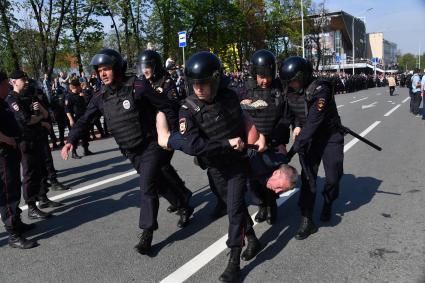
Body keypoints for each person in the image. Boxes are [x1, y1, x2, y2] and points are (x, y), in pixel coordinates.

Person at [61, 48, 189, 255]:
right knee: (157, 183)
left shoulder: (138, 86)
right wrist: (71, 140)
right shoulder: (100, 96)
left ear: (117, 68)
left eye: (107, 69)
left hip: (151, 145)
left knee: (147, 185)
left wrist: (174, 133)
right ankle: (183, 204)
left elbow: (166, 105)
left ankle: (147, 233)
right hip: (130, 150)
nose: (102, 74)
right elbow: (85, 120)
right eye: (99, 70)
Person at [162, 51, 264, 282]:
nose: (199, 89)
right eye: (195, 84)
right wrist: (226, 143)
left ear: (216, 80)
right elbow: (194, 146)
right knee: (233, 206)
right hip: (215, 167)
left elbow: (247, 114)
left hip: (237, 164)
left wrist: (256, 134)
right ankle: (252, 237)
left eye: (204, 83)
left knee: (235, 209)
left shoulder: (229, 96)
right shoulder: (187, 109)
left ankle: (234, 260)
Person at [279, 56, 344, 240]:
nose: (291, 85)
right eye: (288, 82)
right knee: (308, 178)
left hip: (329, 137)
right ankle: (307, 220)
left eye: (294, 81)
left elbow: (313, 122)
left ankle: (328, 201)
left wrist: (291, 151)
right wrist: (295, 125)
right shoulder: (290, 90)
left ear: (304, 75)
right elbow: (289, 115)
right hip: (309, 141)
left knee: (333, 178)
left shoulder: (321, 89)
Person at [136, 50, 193, 218]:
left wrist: (172, 135)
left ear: (156, 66)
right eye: (142, 67)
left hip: (167, 130)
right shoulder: (143, 83)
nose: (144, 71)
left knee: (161, 167)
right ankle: (181, 195)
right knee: (161, 168)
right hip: (152, 132)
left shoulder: (166, 82)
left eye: (147, 67)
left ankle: (182, 198)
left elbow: (172, 107)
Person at [240, 49, 290, 225]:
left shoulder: (279, 88)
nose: (265, 80)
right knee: (252, 180)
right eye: (261, 76)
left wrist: (273, 139)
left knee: (271, 177)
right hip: (253, 142)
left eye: (268, 76)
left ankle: (272, 205)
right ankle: (261, 205)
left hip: (273, 141)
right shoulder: (246, 89)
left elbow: (285, 117)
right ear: (254, 74)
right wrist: (242, 103)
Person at [6, 70, 61, 220]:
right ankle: (31, 207)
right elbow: (26, 120)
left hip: (37, 137)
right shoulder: (12, 99)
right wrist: (38, 117)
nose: (26, 81)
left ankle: (43, 197)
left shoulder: (29, 96)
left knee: (41, 170)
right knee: (29, 174)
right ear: (13, 81)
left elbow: (45, 114)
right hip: (25, 141)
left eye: (26, 79)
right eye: (23, 79)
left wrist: (39, 113)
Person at [0, 70, 37, 249]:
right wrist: (6, 139)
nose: (7, 86)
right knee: (8, 194)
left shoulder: (2, 102)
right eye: (4, 83)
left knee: (13, 188)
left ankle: (17, 222)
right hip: (3, 154)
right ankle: (13, 234)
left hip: (11, 151)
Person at [65, 79, 93, 158]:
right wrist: (71, 119)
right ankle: (74, 152)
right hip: (75, 118)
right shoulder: (69, 97)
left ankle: (86, 149)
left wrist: (83, 96)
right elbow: (67, 110)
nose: (79, 88)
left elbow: (87, 104)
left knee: (85, 134)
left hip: (83, 117)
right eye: (77, 87)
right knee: (75, 136)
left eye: (79, 87)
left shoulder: (80, 95)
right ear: (73, 87)